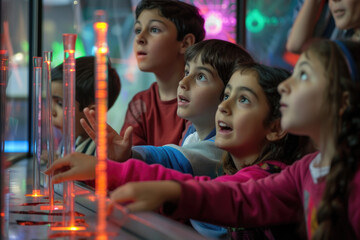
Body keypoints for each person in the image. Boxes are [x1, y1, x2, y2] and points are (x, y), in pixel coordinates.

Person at [106, 40, 360, 239]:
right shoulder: (305, 170)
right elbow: (239, 196)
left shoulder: (341, 179)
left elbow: (237, 196)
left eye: (303, 75)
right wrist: (172, 192)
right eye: (227, 95)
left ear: (343, 101)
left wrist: (115, 172)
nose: (285, 87)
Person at [46, 62, 307, 239]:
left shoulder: (271, 176)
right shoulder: (230, 168)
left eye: (243, 100)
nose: (224, 107)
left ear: (275, 127)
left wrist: (111, 171)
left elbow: (217, 193)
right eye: (226, 96)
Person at [47, 39, 254, 178]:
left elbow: (173, 159)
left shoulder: (221, 148)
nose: (183, 82)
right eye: (187, 72)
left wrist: (129, 155)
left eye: (200, 77)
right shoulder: (192, 133)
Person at [120, 0, 206, 146]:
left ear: (185, 43)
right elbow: (126, 158)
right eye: (138, 30)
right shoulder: (140, 104)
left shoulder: (201, 101)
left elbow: (186, 160)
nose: (139, 38)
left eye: (154, 29)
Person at [51, 56, 121, 156]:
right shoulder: (69, 141)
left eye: (60, 103)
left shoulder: (101, 152)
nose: (51, 112)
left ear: (93, 112)